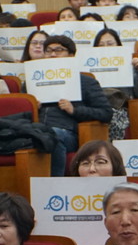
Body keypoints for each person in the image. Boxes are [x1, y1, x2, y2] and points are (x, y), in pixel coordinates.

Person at [36, 35, 114, 176]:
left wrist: (75, 110)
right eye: (48, 50)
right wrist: (32, 107)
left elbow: (106, 113)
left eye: (59, 50)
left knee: (53, 134)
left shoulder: (85, 82)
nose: (53, 54)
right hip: (37, 130)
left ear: (71, 55)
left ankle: (55, 185)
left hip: (68, 133)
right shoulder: (32, 81)